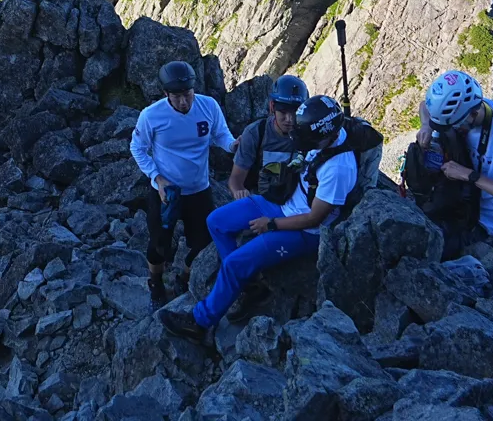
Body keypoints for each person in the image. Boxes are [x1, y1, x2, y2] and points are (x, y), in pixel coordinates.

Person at [160, 95, 366, 342]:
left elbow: (314, 219)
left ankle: (199, 323)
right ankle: (247, 287)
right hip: (285, 203)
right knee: (216, 221)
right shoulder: (322, 137)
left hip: (304, 232)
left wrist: (271, 225)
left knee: (234, 263)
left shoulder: (338, 168)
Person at [131, 60, 237, 304]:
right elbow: (137, 147)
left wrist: (232, 145)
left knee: (203, 244)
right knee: (159, 246)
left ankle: (184, 278)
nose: (183, 102)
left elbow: (220, 134)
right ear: (165, 93)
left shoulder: (208, 106)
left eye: (187, 95)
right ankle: (156, 284)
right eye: (177, 96)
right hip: (165, 192)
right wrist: (157, 178)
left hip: (199, 189)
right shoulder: (151, 115)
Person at [402, 69, 493, 259]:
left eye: (454, 125)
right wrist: (426, 126)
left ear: (473, 114)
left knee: (423, 250)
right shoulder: (462, 110)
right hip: (450, 197)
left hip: (479, 220)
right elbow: (425, 106)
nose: (452, 129)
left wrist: (468, 175)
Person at [229, 74, 308, 202]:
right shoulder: (255, 133)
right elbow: (235, 180)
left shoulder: (308, 135)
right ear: (272, 107)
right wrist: (239, 192)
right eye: (283, 112)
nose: (289, 120)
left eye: (295, 113)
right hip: (260, 200)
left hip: (296, 205)